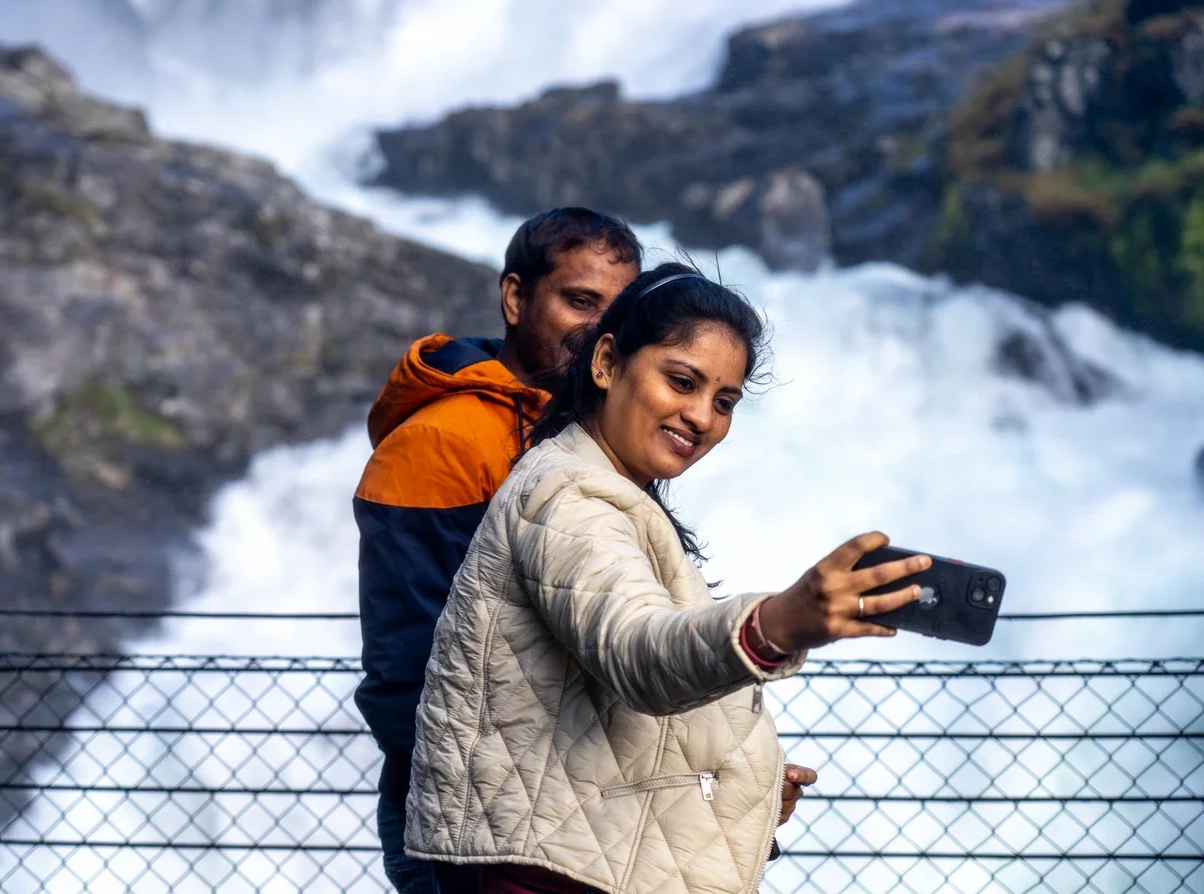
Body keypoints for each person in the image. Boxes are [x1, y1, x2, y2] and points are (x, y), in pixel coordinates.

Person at [404, 264, 929, 894]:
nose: (703, 416)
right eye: (682, 381)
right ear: (606, 363)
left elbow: (602, 714)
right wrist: (779, 623)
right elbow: (636, 649)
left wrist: (739, 782)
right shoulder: (571, 499)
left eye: (725, 401)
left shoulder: (602, 488)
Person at [354, 208, 643, 894]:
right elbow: (408, 668)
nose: (596, 330)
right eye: (579, 301)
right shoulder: (441, 443)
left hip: (574, 804)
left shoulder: (588, 432)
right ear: (516, 297)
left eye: (616, 314)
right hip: (473, 827)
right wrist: (493, 809)